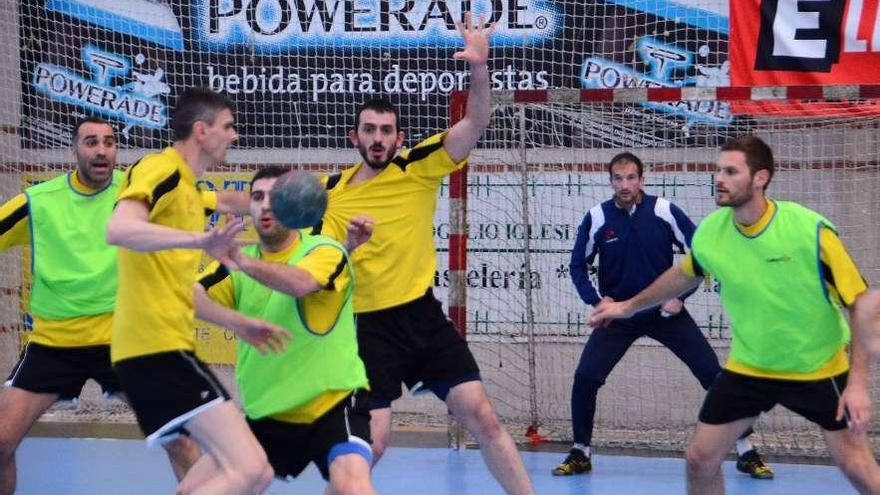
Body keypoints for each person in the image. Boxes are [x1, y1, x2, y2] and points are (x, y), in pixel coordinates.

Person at [311, 15, 534, 495]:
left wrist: (479, 67)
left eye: (386, 130)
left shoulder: (417, 166)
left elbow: (475, 121)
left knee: (484, 417)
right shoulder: (330, 195)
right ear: (355, 138)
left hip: (421, 316)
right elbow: (321, 264)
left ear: (397, 137)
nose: (377, 138)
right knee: (372, 443)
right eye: (368, 130)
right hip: (366, 329)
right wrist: (347, 246)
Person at [590, 136, 880, 495]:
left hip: (817, 368)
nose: (719, 179)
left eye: (730, 171)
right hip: (750, 368)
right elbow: (684, 274)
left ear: (760, 178)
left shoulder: (810, 231)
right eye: (717, 170)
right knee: (700, 458)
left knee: (856, 467)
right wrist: (626, 306)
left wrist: (856, 385)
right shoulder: (713, 231)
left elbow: (863, 304)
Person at [0, 116, 202, 494]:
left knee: (181, 438)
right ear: (74, 150)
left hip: (124, 340)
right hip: (55, 344)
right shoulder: (38, 202)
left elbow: (198, 203)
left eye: (109, 142)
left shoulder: (136, 195)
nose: (101, 150)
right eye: (91, 142)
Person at [106, 88, 286, 494]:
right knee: (253, 469)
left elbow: (183, 288)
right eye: (228, 126)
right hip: (154, 350)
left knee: (204, 482)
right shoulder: (160, 168)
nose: (234, 135)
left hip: (165, 348)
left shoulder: (189, 190)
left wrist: (238, 323)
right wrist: (199, 243)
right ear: (201, 131)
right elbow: (118, 229)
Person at [553, 152, 772, 479]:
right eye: (618, 178)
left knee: (713, 374)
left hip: (664, 313)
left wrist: (681, 296)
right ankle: (580, 451)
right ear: (610, 181)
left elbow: (703, 255)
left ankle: (745, 449)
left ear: (642, 179)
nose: (624, 185)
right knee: (585, 377)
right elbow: (577, 266)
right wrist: (598, 301)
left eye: (631, 178)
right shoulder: (597, 217)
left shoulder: (664, 211)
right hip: (619, 316)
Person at [194, 167, 377, 494]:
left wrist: (242, 262)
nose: (265, 205)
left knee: (352, 487)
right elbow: (190, 296)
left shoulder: (325, 251)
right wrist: (235, 321)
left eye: (275, 197)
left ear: (293, 205)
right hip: (267, 411)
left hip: (332, 403)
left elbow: (301, 283)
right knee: (192, 489)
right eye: (257, 197)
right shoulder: (233, 264)